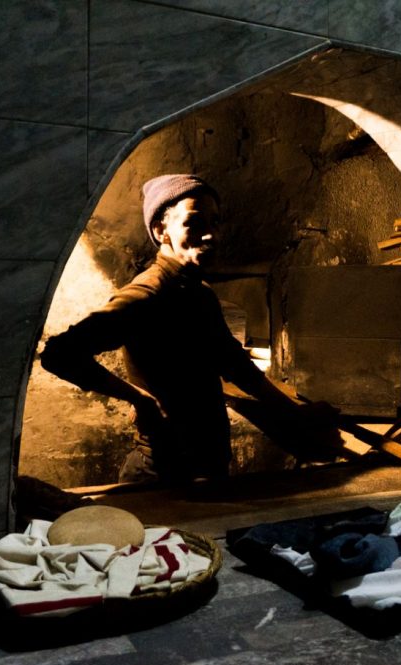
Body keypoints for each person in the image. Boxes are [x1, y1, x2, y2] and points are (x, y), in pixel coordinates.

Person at [41, 174, 339, 484]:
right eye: (194, 223)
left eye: (215, 222)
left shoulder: (200, 294)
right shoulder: (148, 294)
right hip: (159, 472)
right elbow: (60, 354)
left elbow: (239, 369)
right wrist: (139, 399)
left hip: (208, 466)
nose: (210, 235)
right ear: (161, 230)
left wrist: (297, 414)